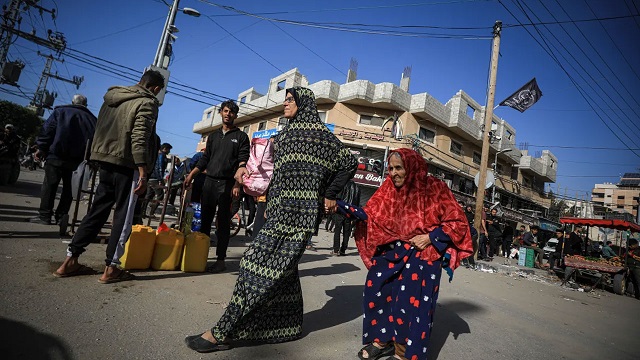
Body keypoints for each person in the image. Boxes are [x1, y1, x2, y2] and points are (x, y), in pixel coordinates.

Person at [184, 86, 358, 353]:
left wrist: (330, 194)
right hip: (276, 211)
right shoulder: (286, 132)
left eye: (290, 100)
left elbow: (348, 162)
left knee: (253, 264)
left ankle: (222, 332)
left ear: (303, 104)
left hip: (300, 216)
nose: (284, 104)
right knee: (283, 274)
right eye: (285, 100)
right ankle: (286, 327)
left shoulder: (322, 137)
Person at [354, 148, 472, 360]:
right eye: (390, 168)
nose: (393, 173)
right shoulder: (388, 188)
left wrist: (429, 237)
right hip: (393, 251)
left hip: (422, 253)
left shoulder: (434, 188)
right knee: (377, 292)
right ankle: (382, 341)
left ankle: (403, 352)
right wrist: (339, 207)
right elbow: (369, 215)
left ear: (412, 167)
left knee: (408, 305)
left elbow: (457, 222)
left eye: (399, 168)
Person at [53, 69, 164, 284]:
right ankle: (111, 268)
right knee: (123, 218)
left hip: (105, 161)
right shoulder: (147, 103)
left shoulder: (112, 97)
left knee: (96, 211)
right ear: (156, 88)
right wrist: (142, 169)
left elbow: (100, 129)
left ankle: (69, 260)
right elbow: (140, 136)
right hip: (127, 164)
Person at [183, 100, 250, 273]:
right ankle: (201, 256)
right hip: (209, 183)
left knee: (223, 223)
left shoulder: (241, 137)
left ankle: (221, 260)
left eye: (232, 112)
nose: (228, 114)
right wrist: (191, 174)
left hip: (228, 184)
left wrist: (237, 183)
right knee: (204, 221)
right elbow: (206, 159)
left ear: (235, 115)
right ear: (221, 112)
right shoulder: (213, 136)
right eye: (226, 111)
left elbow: (243, 161)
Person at [28, 94, 97, 225]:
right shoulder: (92, 119)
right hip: (77, 161)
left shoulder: (60, 112)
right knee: (69, 189)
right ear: (85, 105)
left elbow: (48, 130)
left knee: (50, 186)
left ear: (72, 102)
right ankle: (61, 216)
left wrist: (41, 147)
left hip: (56, 155)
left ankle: (45, 215)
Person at [331, 179, 361, 256]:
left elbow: (338, 198)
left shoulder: (343, 184)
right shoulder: (357, 188)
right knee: (346, 233)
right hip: (349, 213)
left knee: (337, 231)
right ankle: (343, 250)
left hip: (340, 211)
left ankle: (335, 250)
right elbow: (357, 204)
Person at [143, 142, 172, 218]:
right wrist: (160, 179)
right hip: (156, 178)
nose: (169, 152)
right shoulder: (162, 156)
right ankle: (151, 213)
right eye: (168, 150)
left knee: (149, 195)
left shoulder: (157, 155)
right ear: (164, 149)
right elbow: (159, 168)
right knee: (160, 196)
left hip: (151, 178)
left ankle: (142, 212)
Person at [462, 204, 477, 268]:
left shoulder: (473, 215)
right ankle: (465, 260)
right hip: (465, 233)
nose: (469, 209)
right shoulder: (463, 214)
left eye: (470, 208)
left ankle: (471, 261)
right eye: (468, 207)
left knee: (469, 247)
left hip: (472, 234)